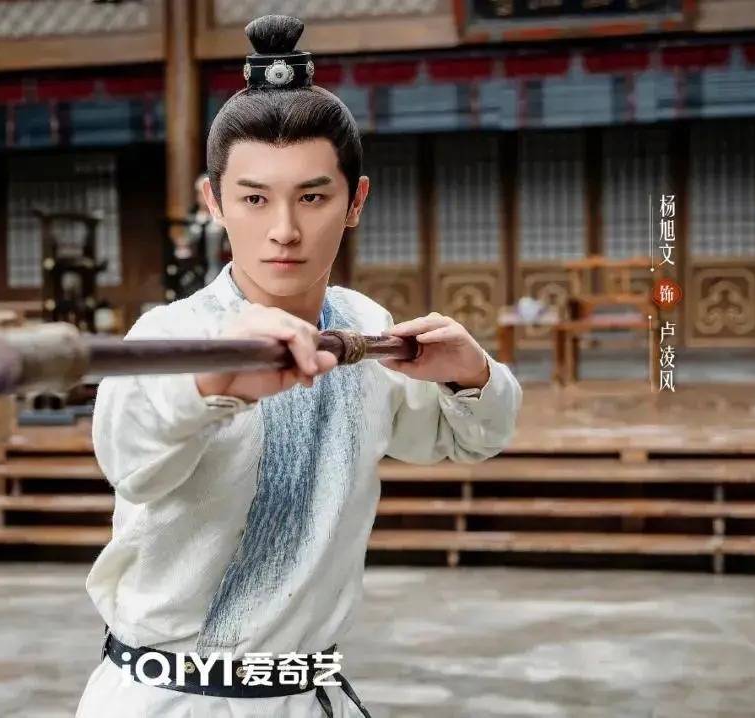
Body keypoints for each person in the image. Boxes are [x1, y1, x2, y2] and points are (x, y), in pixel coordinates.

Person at [75, 14, 522, 718]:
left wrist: (472, 375)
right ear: (214, 203)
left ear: (355, 201)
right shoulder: (173, 335)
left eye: (313, 197)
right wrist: (210, 385)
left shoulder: (365, 328)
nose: (283, 230)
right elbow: (131, 462)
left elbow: (464, 437)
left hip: (304, 697)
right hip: (168, 700)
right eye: (254, 199)